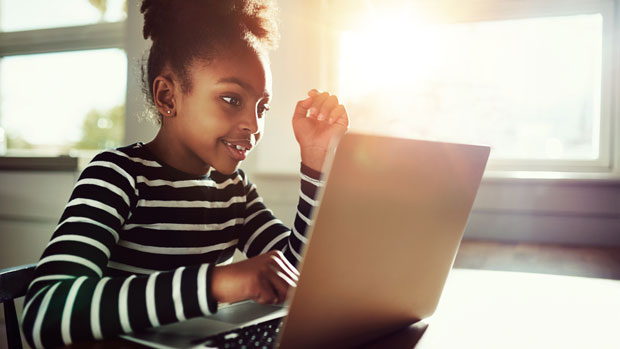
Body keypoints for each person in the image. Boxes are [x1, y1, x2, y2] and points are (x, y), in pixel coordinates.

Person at [20, 1, 349, 347]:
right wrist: (216, 283)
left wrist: (315, 162)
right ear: (168, 97)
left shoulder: (235, 192)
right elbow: (44, 313)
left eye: (261, 107)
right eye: (231, 99)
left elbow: (297, 276)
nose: (253, 125)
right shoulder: (118, 177)